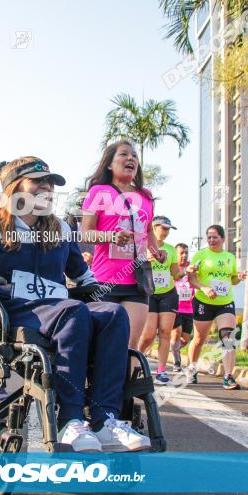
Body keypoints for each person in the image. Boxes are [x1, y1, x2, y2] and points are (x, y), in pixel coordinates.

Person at [0, 156, 151, 452]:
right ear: (15, 187)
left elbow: (85, 281)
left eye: (50, 183)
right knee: (73, 311)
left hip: (60, 310)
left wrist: (103, 302)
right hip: (15, 311)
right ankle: (69, 419)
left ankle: (105, 420)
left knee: (112, 313)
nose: (47, 188)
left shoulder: (60, 228)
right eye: (38, 182)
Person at [81, 140, 166, 349]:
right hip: (104, 281)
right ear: (110, 164)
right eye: (124, 154)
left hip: (137, 283)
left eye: (134, 156)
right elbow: (86, 234)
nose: (131, 158)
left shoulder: (145, 196)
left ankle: (125, 382)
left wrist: (156, 251)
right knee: (102, 344)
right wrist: (112, 236)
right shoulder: (99, 192)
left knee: (129, 346)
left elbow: (147, 230)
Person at [186, 225, 247, 389]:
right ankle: (192, 367)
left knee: (228, 337)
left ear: (223, 239)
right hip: (203, 302)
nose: (211, 240)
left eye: (215, 237)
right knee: (199, 339)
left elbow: (232, 279)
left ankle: (228, 376)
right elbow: (191, 278)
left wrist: (239, 277)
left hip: (224, 302)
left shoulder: (230, 257)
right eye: (209, 237)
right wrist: (204, 288)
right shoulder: (201, 255)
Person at [137, 216, 182, 385]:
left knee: (165, 332)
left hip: (168, 293)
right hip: (148, 293)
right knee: (148, 334)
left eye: (169, 229)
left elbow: (175, 273)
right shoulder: (144, 246)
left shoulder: (170, 250)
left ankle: (162, 371)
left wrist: (186, 272)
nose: (166, 232)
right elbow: (133, 266)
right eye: (163, 228)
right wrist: (145, 259)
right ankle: (137, 359)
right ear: (154, 228)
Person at [171, 242, 195, 372]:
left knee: (185, 339)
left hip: (188, 308)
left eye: (186, 253)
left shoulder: (191, 267)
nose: (184, 255)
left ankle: (172, 349)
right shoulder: (172, 267)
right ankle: (177, 362)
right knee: (176, 333)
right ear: (176, 254)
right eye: (181, 253)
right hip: (175, 307)